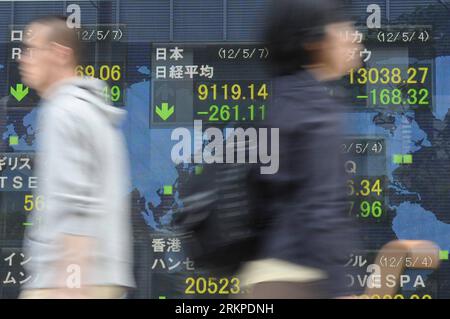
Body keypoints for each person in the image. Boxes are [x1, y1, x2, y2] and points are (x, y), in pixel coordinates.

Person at [237, 0, 363, 298]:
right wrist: (341, 288)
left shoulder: (281, 101)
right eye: (343, 26)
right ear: (313, 42)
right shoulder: (318, 110)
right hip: (300, 280)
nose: (353, 36)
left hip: (262, 277)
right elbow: (321, 211)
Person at [19, 16, 134, 298]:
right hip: (102, 273)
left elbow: (76, 207)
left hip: (66, 280)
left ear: (60, 54)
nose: (23, 58)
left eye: (32, 49)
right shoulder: (95, 111)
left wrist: (70, 283)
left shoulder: (64, 110)